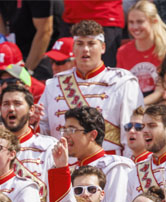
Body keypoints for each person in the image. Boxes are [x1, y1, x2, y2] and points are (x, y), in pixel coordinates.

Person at [39, 20, 143, 156]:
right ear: (73, 49)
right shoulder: (54, 84)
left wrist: (128, 170)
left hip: (107, 164)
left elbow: (132, 134)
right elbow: (43, 132)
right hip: (65, 164)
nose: (85, 49)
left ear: (103, 47)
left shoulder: (122, 82)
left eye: (91, 43)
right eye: (80, 44)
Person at [117, 1, 166, 102]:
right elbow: (121, 89)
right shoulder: (123, 52)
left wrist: (137, 108)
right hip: (135, 107)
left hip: (162, 108)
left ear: (154, 22)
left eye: (140, 22)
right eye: (131, 22)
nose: (135, 27)